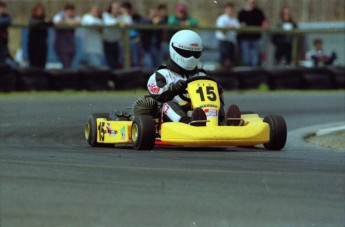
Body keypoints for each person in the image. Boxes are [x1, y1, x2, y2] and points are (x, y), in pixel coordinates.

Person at [147, 30, 241, 126]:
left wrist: (218, 91)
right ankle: (188, 122)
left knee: (215, 101)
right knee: (168, 104)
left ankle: (222, 120)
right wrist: (174, 88)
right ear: (175, 49)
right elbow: (157, 93)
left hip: (199, 113)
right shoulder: (162, 74)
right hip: (172, 119)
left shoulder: (201, 75)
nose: (191, 58)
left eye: (195, 54)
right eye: (186, 53)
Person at [238, 0, 267, 66]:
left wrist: (265, 25)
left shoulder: (259, 12)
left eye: (253, 2)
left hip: (256, 38)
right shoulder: (242, 12)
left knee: (255, 60)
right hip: (245, 39)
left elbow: (264, 22)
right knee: (247, 59)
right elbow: (239, 24)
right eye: (251, 2)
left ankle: (254, 75)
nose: (252, 3)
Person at [102, 1, 129, 69]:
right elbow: (108, 23)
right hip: (107, 42)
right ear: (110, 8)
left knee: (116, 63)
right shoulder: (105, 15)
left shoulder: (121, 16)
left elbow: (129, 22)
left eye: (117, 8)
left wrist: (125, 13)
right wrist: (118, 22)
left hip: (116, 43)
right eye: (114, 8)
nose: (116, 9)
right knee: (108, 63)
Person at [53, 4, 80, 68]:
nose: (70, 13)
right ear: (65, 11)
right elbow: (56, 22)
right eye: (69, 11)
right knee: (66, 65)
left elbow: (79, 21)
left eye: (72, 11)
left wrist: (69, 21)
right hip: (61, 46)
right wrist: (67, 21)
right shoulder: (59, 16)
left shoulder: (75, 17)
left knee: (68, 65)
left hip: (71, 46)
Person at [215, 2, 240, 69]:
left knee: (232, 62)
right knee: (225, 62)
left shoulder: (235, 19)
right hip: (224, 42)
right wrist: (229, 28)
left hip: (232, 43)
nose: (230, 10)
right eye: (229, 9)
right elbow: (221, 30)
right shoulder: (221, 19)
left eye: (231, 9)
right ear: (225, 9)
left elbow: (238, 29)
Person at [27, 3, 52, 68]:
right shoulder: (33, 19)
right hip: (34, 45)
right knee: (34, 64)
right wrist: (43, 21)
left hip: (42, 45)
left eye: (41, 10)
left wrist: (46, 21)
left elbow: (52, 23)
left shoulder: (45, 19)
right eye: (38, 10)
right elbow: (33, 23)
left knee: (42, 63)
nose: (40, 12)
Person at [120, 1, 142, 67]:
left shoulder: (136, 17)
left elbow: (141, 28)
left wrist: (139, 37)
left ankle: (137, 71)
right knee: (124, 58)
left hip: (134, 39)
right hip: (124, 39)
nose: (126, 10)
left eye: (127, 8)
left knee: (136, 59)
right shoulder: (121, 17)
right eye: (124, 8)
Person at [0, 0, 11, 64]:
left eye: (3, 8)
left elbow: (8, 20)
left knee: (3, 57)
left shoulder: (6, 16)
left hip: (3, 40)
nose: (2, 10)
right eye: (1, 8)